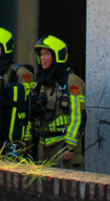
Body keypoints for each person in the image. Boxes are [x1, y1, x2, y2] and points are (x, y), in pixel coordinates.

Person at [30, 35, 86, 170]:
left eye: (47, 54)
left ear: (57, 55)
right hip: (44, 147)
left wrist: (70, 147)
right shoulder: (41, 84)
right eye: (41, 54)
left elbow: (78, 117)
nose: (42, 58)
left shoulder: (71, 81)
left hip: (63, 149)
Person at [0, 27, 35, 154]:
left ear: (6, 48)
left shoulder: (20, 72)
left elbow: (31, 107)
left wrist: (27, 139)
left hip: (14, 137)